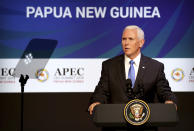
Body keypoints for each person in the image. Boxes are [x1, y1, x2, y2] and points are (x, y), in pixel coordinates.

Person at [89, 25, 177, 115]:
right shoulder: (109, 66)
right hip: (116, 122)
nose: (126, 43)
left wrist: (169, 101)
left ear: (141, 43)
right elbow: (101, 91)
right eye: (124, 39)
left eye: (131, 39)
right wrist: (97, 102)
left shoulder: (155, 67)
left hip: (145, 122)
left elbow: (164, 90)